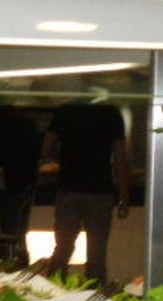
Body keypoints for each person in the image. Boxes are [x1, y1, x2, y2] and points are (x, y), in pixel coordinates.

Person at [39, 97, 130, 282]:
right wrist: (123, 196)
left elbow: (46, 150)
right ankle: (94, 294)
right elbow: (120, 157)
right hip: (100, 189)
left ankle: (52, 290)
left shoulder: (66, 110)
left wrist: (62, 160)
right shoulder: (110, 112)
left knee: (63, 248)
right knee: (97, 252)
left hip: (69, 187)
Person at [0, 106, 39, 247]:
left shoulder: (6, 132)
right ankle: (20, 254)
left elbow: (4, 158)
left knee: (9, 229)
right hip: (27, 182)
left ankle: (12, 253)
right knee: (21, 230)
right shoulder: (27, 127)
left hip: (12, 185)